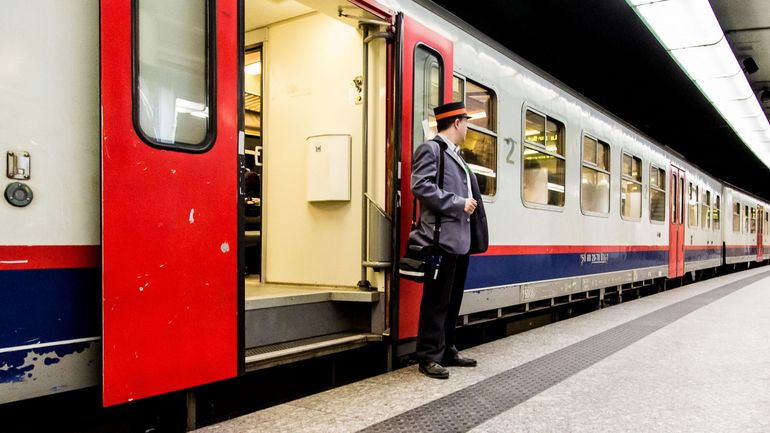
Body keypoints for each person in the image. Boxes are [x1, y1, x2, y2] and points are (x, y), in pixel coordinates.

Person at [409, 101, 489, 379]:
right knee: (436, 300)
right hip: (440, 239)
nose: (467, 126)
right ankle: (428, 356)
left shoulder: (455, 155)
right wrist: (457, 202)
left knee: (452, 299)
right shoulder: (431, 149)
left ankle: (447, 349)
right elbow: (420, 185)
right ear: (457, 122)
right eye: (466, 121)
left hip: (460, 240)